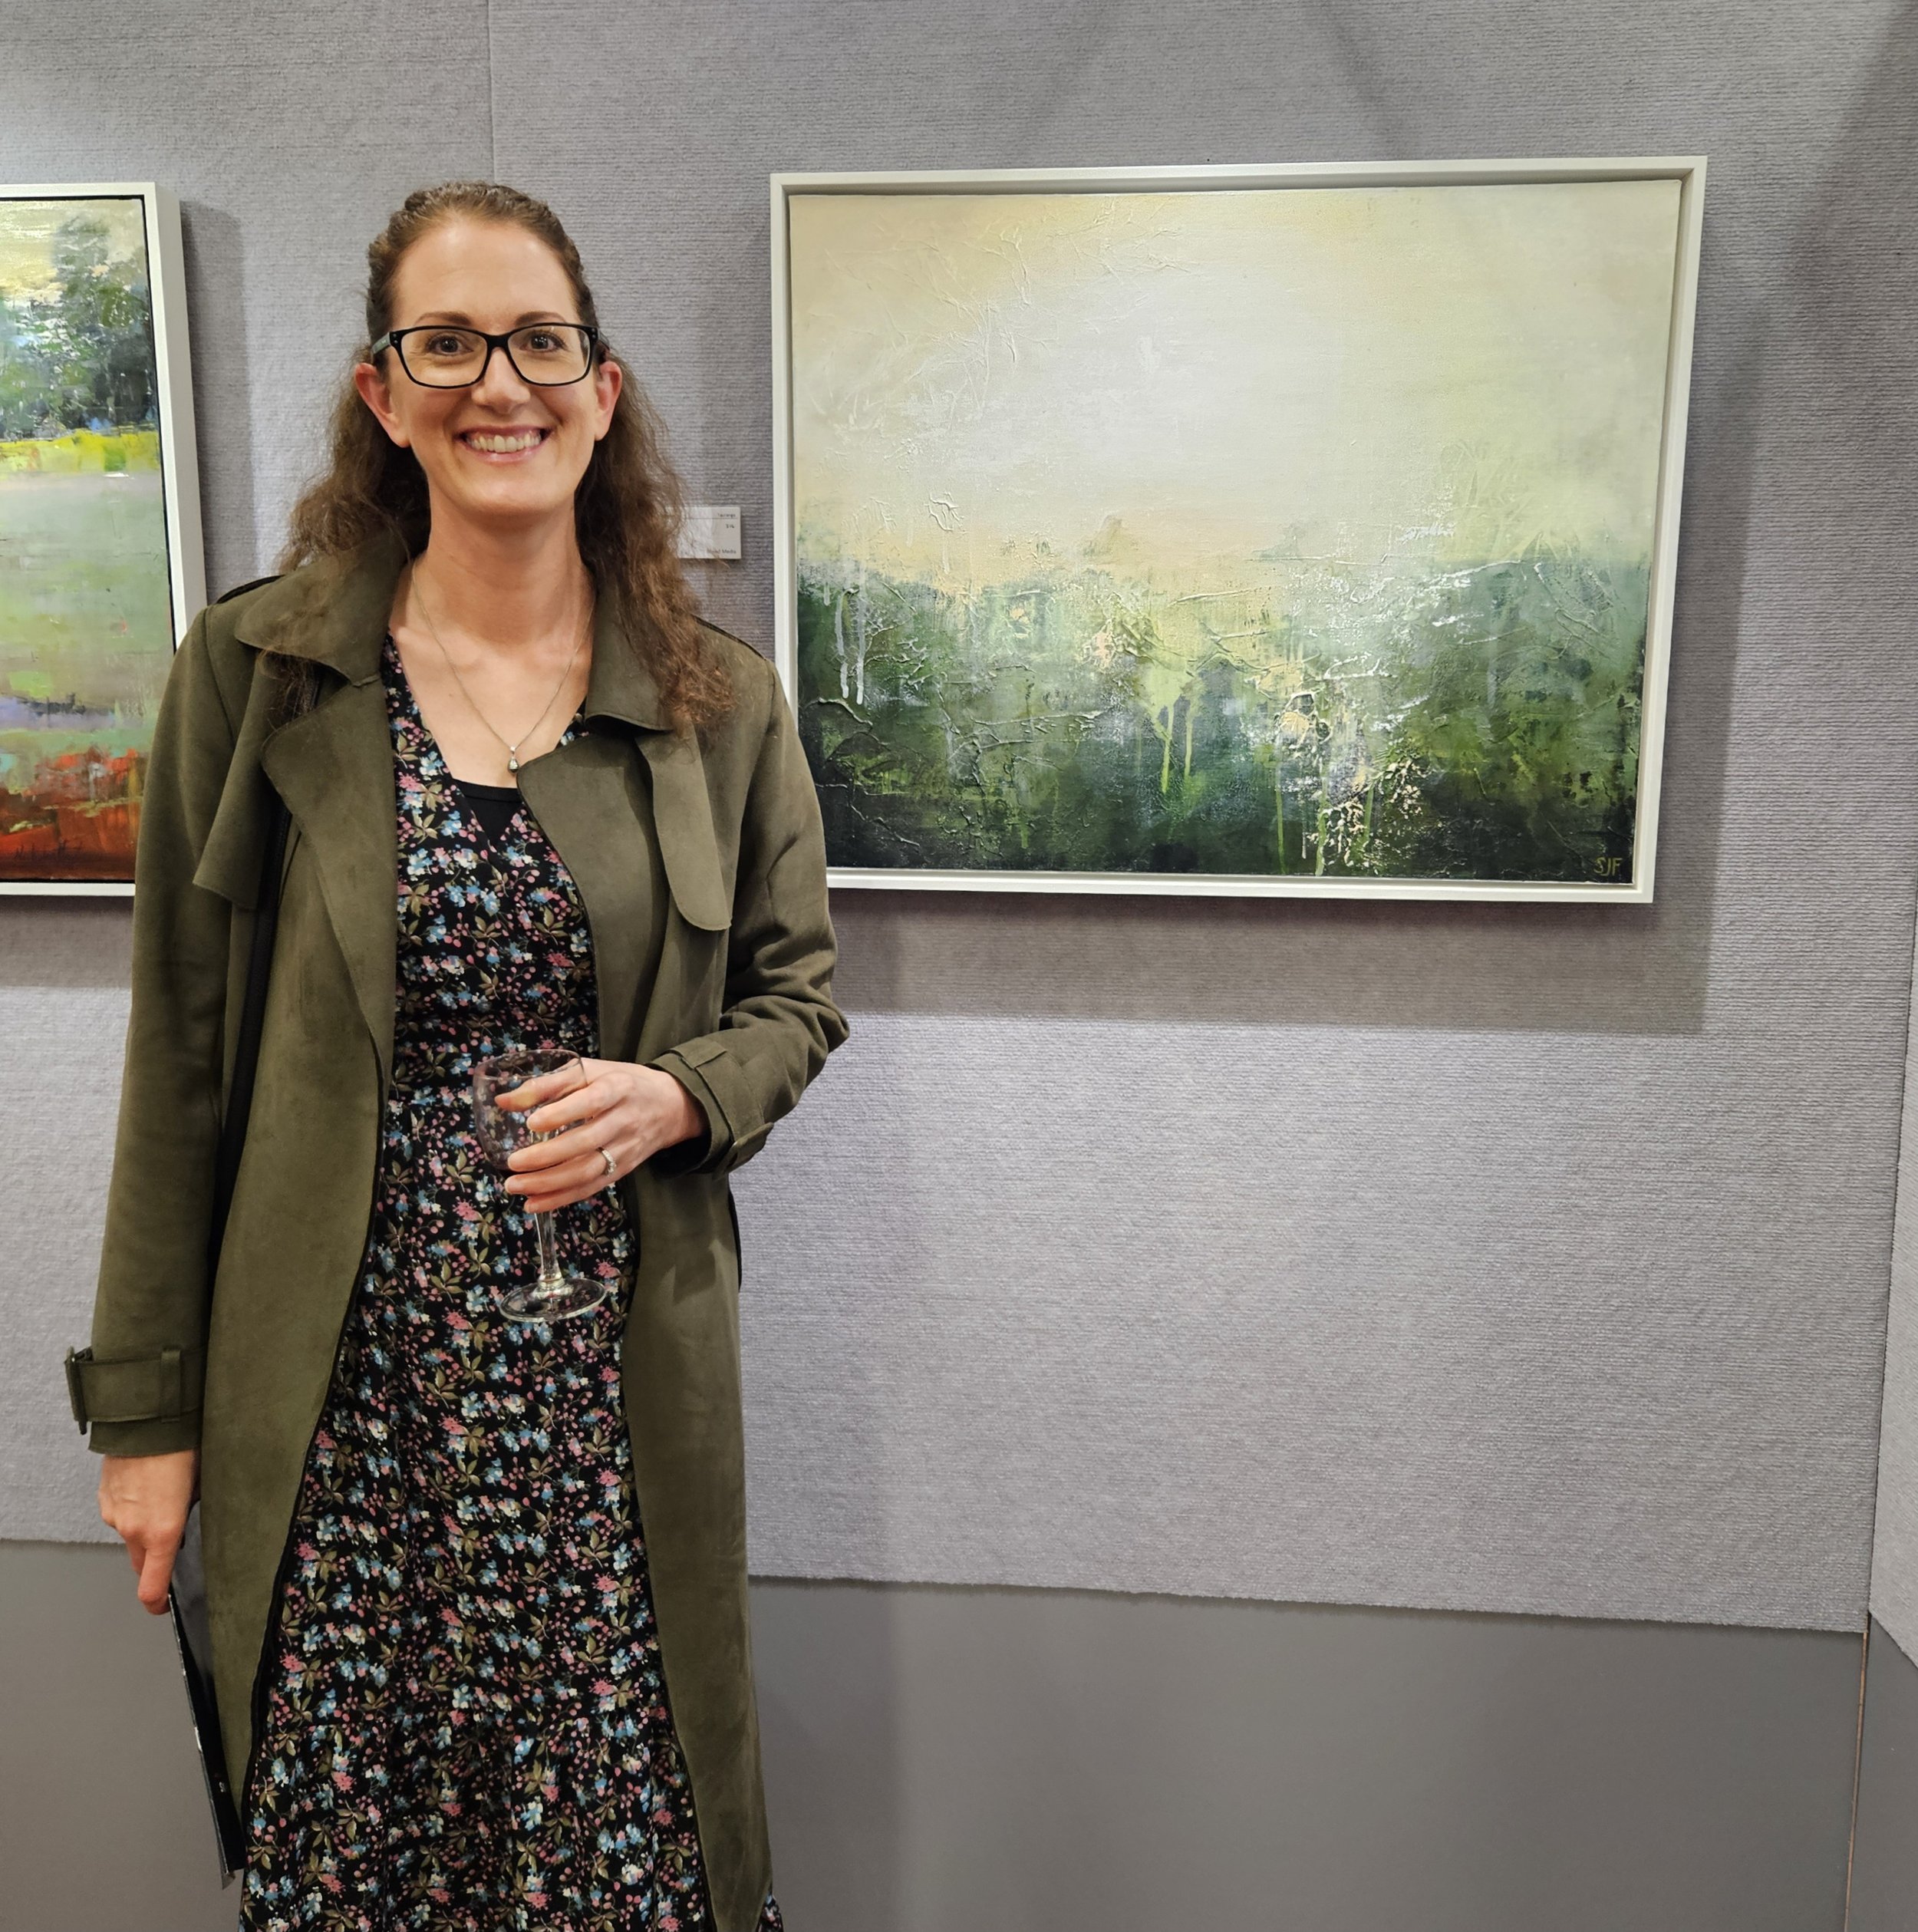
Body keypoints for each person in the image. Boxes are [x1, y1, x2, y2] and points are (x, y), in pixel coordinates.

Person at [68, 180, 846, 1932]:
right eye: (448, 341)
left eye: (540, 341)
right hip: (342, 1400)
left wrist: (676, 1091)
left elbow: (797, 996)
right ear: (383, 390)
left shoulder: (717, 696)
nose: (502, 383)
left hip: (602, 1406)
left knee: (617, 1859)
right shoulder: (260, 677)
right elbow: (177, 1058)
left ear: (604, 381)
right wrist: (148, 1412)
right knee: (364, 1856)